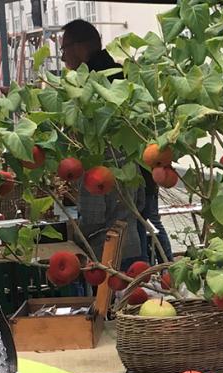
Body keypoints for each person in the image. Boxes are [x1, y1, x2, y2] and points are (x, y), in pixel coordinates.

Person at [60, 19, 144, 268]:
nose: (63, 57)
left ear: (79, 47)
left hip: (106, 253)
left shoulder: (89, 84)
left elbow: (93, 217)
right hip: (132, 220)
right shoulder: (120, 73)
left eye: (64, 49)